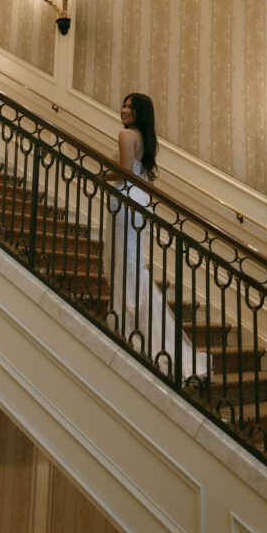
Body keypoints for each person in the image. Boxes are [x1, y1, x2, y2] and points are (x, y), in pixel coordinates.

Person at [105, 93, 210, 381]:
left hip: (125, 198)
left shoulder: (126, 135)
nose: (124, 110)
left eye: (131, 107)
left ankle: (127, 321)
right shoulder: (147, 139)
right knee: (132, 263)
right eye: (124, 105)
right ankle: (132, 320)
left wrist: (104, 174)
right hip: (138, 201)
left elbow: (124, 171)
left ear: (140, 113)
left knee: (124, 264)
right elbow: (145, 180)